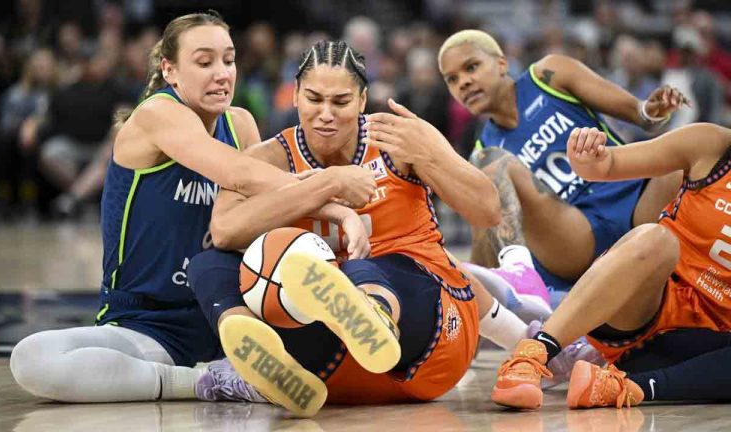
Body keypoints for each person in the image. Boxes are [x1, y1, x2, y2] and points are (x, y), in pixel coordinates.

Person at [187, 40, 589, 417]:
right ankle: (255, 355)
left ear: (363, 100)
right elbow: (224, 231)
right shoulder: (270, 157)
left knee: (372, 264)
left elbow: (487, 211)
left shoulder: (397, 140)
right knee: (209, 264)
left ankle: (374, 312)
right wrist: (327, 184)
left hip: (426, 336)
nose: (325, 113)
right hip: (333, 372)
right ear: (294, 95)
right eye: (314, 99)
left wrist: (430, 154)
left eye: (341, 101)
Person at [9, 12, 376, 403]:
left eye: (229, 60)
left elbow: (269, 207)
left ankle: (352, 327)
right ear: (169, 70)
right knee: (32, 359)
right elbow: (239, 173)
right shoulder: (156, 114)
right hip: (149, 323)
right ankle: (204, 382)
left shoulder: (241, 124)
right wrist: (335, 198)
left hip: (229, 313)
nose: (222, 73)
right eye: (204, 62)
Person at [437, 30, 688, 303]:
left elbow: (640, 115)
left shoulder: (549, 74)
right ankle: (526, 282)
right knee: (491, 162)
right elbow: (484, 245)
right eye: (452, 79)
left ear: (501, 63)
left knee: (690, 151)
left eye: (471, 67)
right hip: (576, 237)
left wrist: (653, 109)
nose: (463, 82)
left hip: (634, 199)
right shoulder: (484, 155)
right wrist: (476, 297)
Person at [493, 123, 731, 410]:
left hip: (702, 350)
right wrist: (586, 156)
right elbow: (606, 165)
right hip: (640, 306)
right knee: (658, 240)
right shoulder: (710, 144)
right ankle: (531, 356)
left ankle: (620, 387)